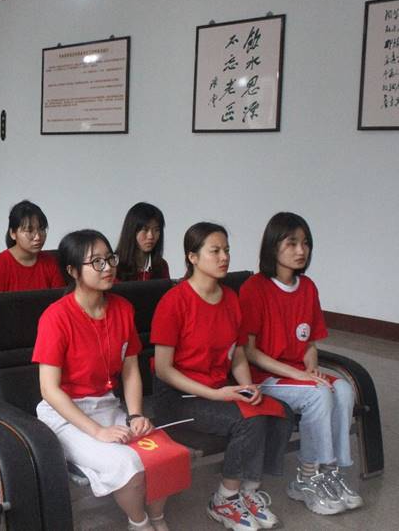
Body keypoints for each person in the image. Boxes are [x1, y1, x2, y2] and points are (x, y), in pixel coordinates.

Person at [151, 222, 292, 531]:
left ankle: (248, 491)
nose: (224, 257)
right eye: (214, 251)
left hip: (218, 388)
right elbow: (163, 369)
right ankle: (224, 499)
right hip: (178, 398)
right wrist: (216, 394)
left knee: (279, 411)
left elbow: (238, 353)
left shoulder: (230, 298)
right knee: (248, 420)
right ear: (192, 257)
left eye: (226, 250)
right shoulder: (174, 302)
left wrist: (247, 385)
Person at [33, 230, 169, 531]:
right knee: (128, 465)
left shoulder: (122, 308)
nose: (108, 267)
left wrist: (135, 415)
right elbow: (49, 389)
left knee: (163, 455)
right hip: (65, 414)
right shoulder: (56, 317)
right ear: (73, 270)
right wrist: (98, 432)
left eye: (110, 258)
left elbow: (130, 370)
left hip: (106, 404)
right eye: (96, 262)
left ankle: (159, 517)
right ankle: (139, 522)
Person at [241, 212, 361, 515]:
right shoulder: (255, 288)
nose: (301, 250)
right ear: (273, 246)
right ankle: (306, 479)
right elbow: (249, 352)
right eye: (292, 243)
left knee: (344, 389)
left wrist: (310, 368)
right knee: (318, 394)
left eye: (305, 243)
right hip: (265, 377)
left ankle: (331, 472)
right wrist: (299, 376)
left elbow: (309, 342)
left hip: (296, 375)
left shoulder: (307, 287)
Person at [0, 200, 64, 292]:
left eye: (41, 229)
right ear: (13, 233)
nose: (37, 237)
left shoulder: (50, 263)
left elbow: (60, 299)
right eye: (29, 231)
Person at [115, 202, 169, 281]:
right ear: (131, 231)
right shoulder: (114, 264)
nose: (151, 236)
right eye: (145, 229)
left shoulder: (161, 266)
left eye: (156, 230)